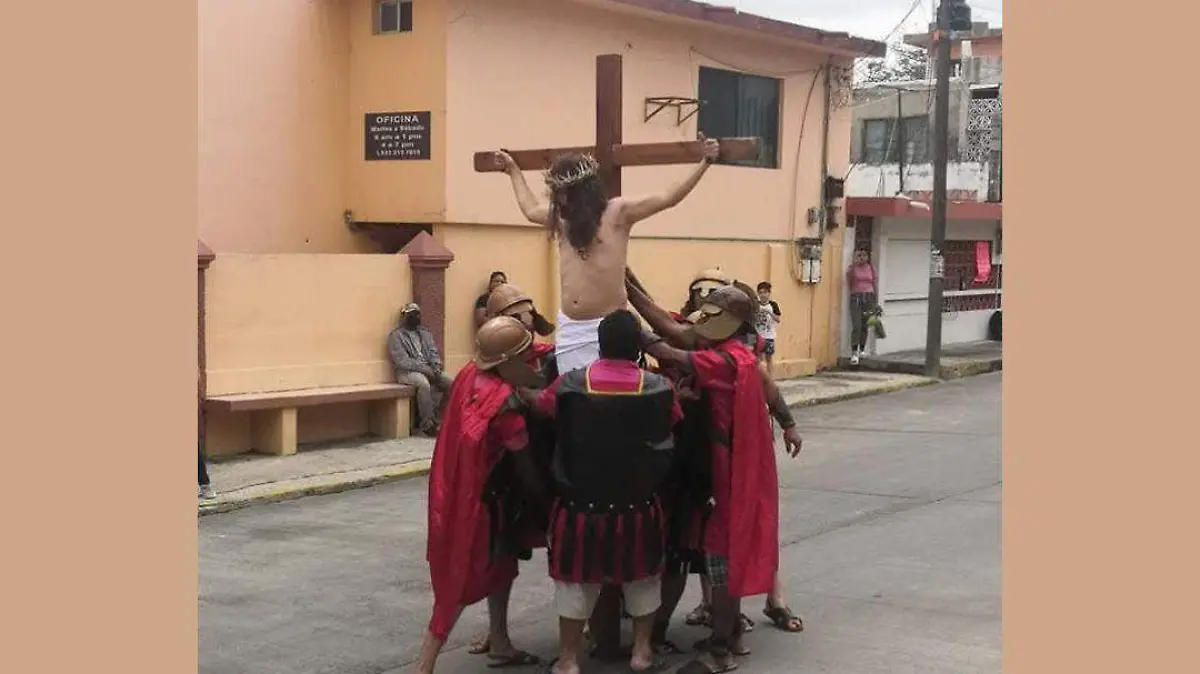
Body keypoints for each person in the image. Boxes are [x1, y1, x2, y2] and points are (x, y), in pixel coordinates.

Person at [627, 284, 798, 674]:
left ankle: (721, 650)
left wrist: (625, 329)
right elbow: (668, 328)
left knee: (721, 564)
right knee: (704, 559)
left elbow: (667, 349)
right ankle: (722, 637)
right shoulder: (735, 354)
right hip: (707, 472)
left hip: (724, 478)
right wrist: (625, 280)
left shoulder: (725, 360)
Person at [526, 310, 682, 674]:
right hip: (639, 503)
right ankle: (642, 652)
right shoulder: (659, 387)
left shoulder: (568, 385)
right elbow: (675, 421)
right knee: (643, 578)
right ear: (637, 347)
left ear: (600, 344)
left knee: (574, 583)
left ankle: (567, 659)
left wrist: (520, 389)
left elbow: (541, 408)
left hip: (580, 504)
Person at [493, 135, 721, 375]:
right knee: (573, 400)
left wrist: (705, 161)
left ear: (583, 191)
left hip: (612, 330)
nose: (559, 200)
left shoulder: (618, 213)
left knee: (611, 396)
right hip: (570, 330)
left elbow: (669, 198)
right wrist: (513, 171)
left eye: (565, 193)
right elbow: (530, 210)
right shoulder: (563, 221)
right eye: (557, 193)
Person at [417, 316, 550, 674]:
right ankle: (424, 664)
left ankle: (500, 640)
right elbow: (525, 464)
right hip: (481, 503)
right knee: (462, 576)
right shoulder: (505, 409)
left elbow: (536, 350)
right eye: (525, 358)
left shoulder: (468, 375)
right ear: (507, 362)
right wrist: (548, 504)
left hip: (464, 492)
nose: (531, 362)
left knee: (503, 567)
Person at [387, 303, 453, 436]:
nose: (416, 317)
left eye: (418, 314)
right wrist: (424, 369)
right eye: (412, 314)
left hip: (428, 368)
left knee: (451, 383)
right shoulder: (396, 336)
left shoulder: (425, 333)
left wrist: (436, 366)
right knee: (423, 384)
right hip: (406, 373)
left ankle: (441, 419)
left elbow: (433, 352)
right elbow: (402, 362)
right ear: (404, 317)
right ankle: (427, 425)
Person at [846, 247, 878, 365]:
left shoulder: (871, 268)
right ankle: (854, 352)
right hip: (856, 297)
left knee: (865, 324)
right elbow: (849, 281)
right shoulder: (852, 269)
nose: (862, 258)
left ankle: (862, 349)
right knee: (857, 325)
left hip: (868, 296)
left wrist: (875, 300)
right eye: (860, 255)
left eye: (864, 255)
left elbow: (874, 282)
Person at [752, 282, 782, 374]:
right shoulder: (755, 304)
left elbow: (778, 319)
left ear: (769, 293)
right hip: (758, 336)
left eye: (765, 292)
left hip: (769, 337)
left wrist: (769, 312)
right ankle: (759, 379)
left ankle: (770, 378)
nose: (763, 295)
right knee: (757, 359)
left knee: (769, 359)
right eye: (760, 292)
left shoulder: (773, 305)